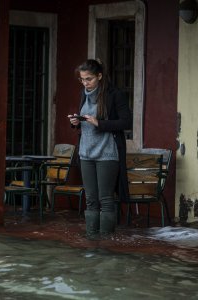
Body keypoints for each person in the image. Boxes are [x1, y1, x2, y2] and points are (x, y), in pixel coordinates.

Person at [68, 59, 132, 239]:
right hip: (86, 152)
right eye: (82, 80)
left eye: (89, 79)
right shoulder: (84, 94)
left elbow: (126, 122)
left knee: (105, 199)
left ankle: (105, 240)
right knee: (90, 199)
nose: (85, 83)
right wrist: (76, 122)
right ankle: (91, 238)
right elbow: (85, 121)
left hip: (107, 152)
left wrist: (100, 123)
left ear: (100, 76)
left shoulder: (114, 94)